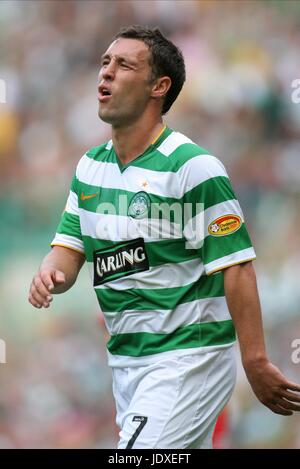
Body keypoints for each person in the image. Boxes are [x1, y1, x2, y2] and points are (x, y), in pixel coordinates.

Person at [28, 25, 300, 449]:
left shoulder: (194, 168)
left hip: (189, 359)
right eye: (104, 63)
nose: (106, 74)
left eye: (123, 65)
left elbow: (237, 266)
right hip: (127, 363)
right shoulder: (89, 168)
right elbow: (70, 246)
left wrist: (256, 360)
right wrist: (50, 273)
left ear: (159, 86)